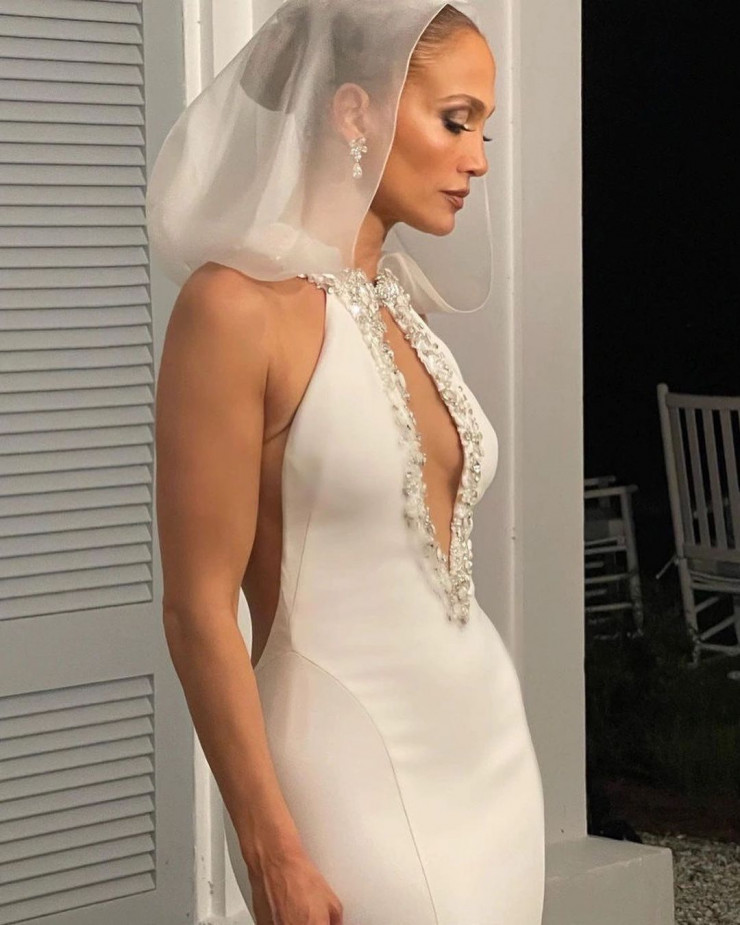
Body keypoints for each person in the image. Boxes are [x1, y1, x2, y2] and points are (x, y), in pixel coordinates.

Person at [148, 1, 546, 923]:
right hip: (345, 766)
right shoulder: (232, 311)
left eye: (483, 129)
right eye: (456, 121)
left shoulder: (401, 304)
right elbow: (197, 606)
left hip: (489, 756)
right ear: (355, 112)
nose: (478, 160)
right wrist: (271, 849)